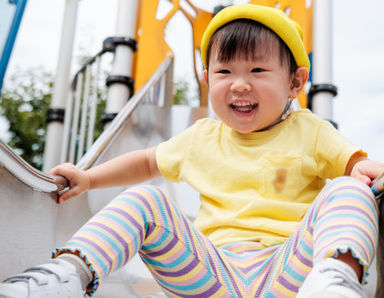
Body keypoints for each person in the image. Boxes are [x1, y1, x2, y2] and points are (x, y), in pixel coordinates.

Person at [0, 4, 383, 298]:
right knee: (146, 199)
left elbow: (355, 165)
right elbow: (148, 161)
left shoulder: (311, 131)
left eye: (258, 71)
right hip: (210, 272)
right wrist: (89, 177)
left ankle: (334, 280)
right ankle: (65, 275)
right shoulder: (200, 138)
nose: (239, 85)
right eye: (224, 72)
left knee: (347, 189)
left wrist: (366, 169)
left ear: (295, 82)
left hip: (291, 273)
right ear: (206, 79)